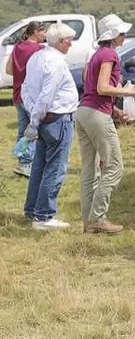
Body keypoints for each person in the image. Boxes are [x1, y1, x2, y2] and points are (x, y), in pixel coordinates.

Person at [76, 14, 135, 234]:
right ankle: (98, 218)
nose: (125, 35)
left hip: (84, 111)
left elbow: (93, 89)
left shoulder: (96, 54)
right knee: (114, 167)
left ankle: (89, 222)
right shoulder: (110, 53)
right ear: (113, 35)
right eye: (122, 32)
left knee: (89, 170)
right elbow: (102, 87)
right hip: (96, 114)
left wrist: (116, 111)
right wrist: (126, 91)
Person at [21, 23, 79, 230]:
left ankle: (31, 209)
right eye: (69, 40)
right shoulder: (55, 61)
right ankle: (44, 216)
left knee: (39, 166)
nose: (71, 44)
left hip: (45, 117)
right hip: (57, 118)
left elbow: (25, 88)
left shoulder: (36, 57)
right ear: (61, 41)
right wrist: (35, 119)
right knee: (55, 167)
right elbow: (47, 94)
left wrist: (33, 115)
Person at [6, 21, 46, 178]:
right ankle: (30, 164)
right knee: (33, 129)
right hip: (31, 95)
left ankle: (23, 162)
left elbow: (9, 70)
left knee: (23, 129)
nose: (45, 35)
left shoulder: (17, 47)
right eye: (43, 32)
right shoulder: (39, 49)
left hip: (17, 94)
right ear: (36, 32)